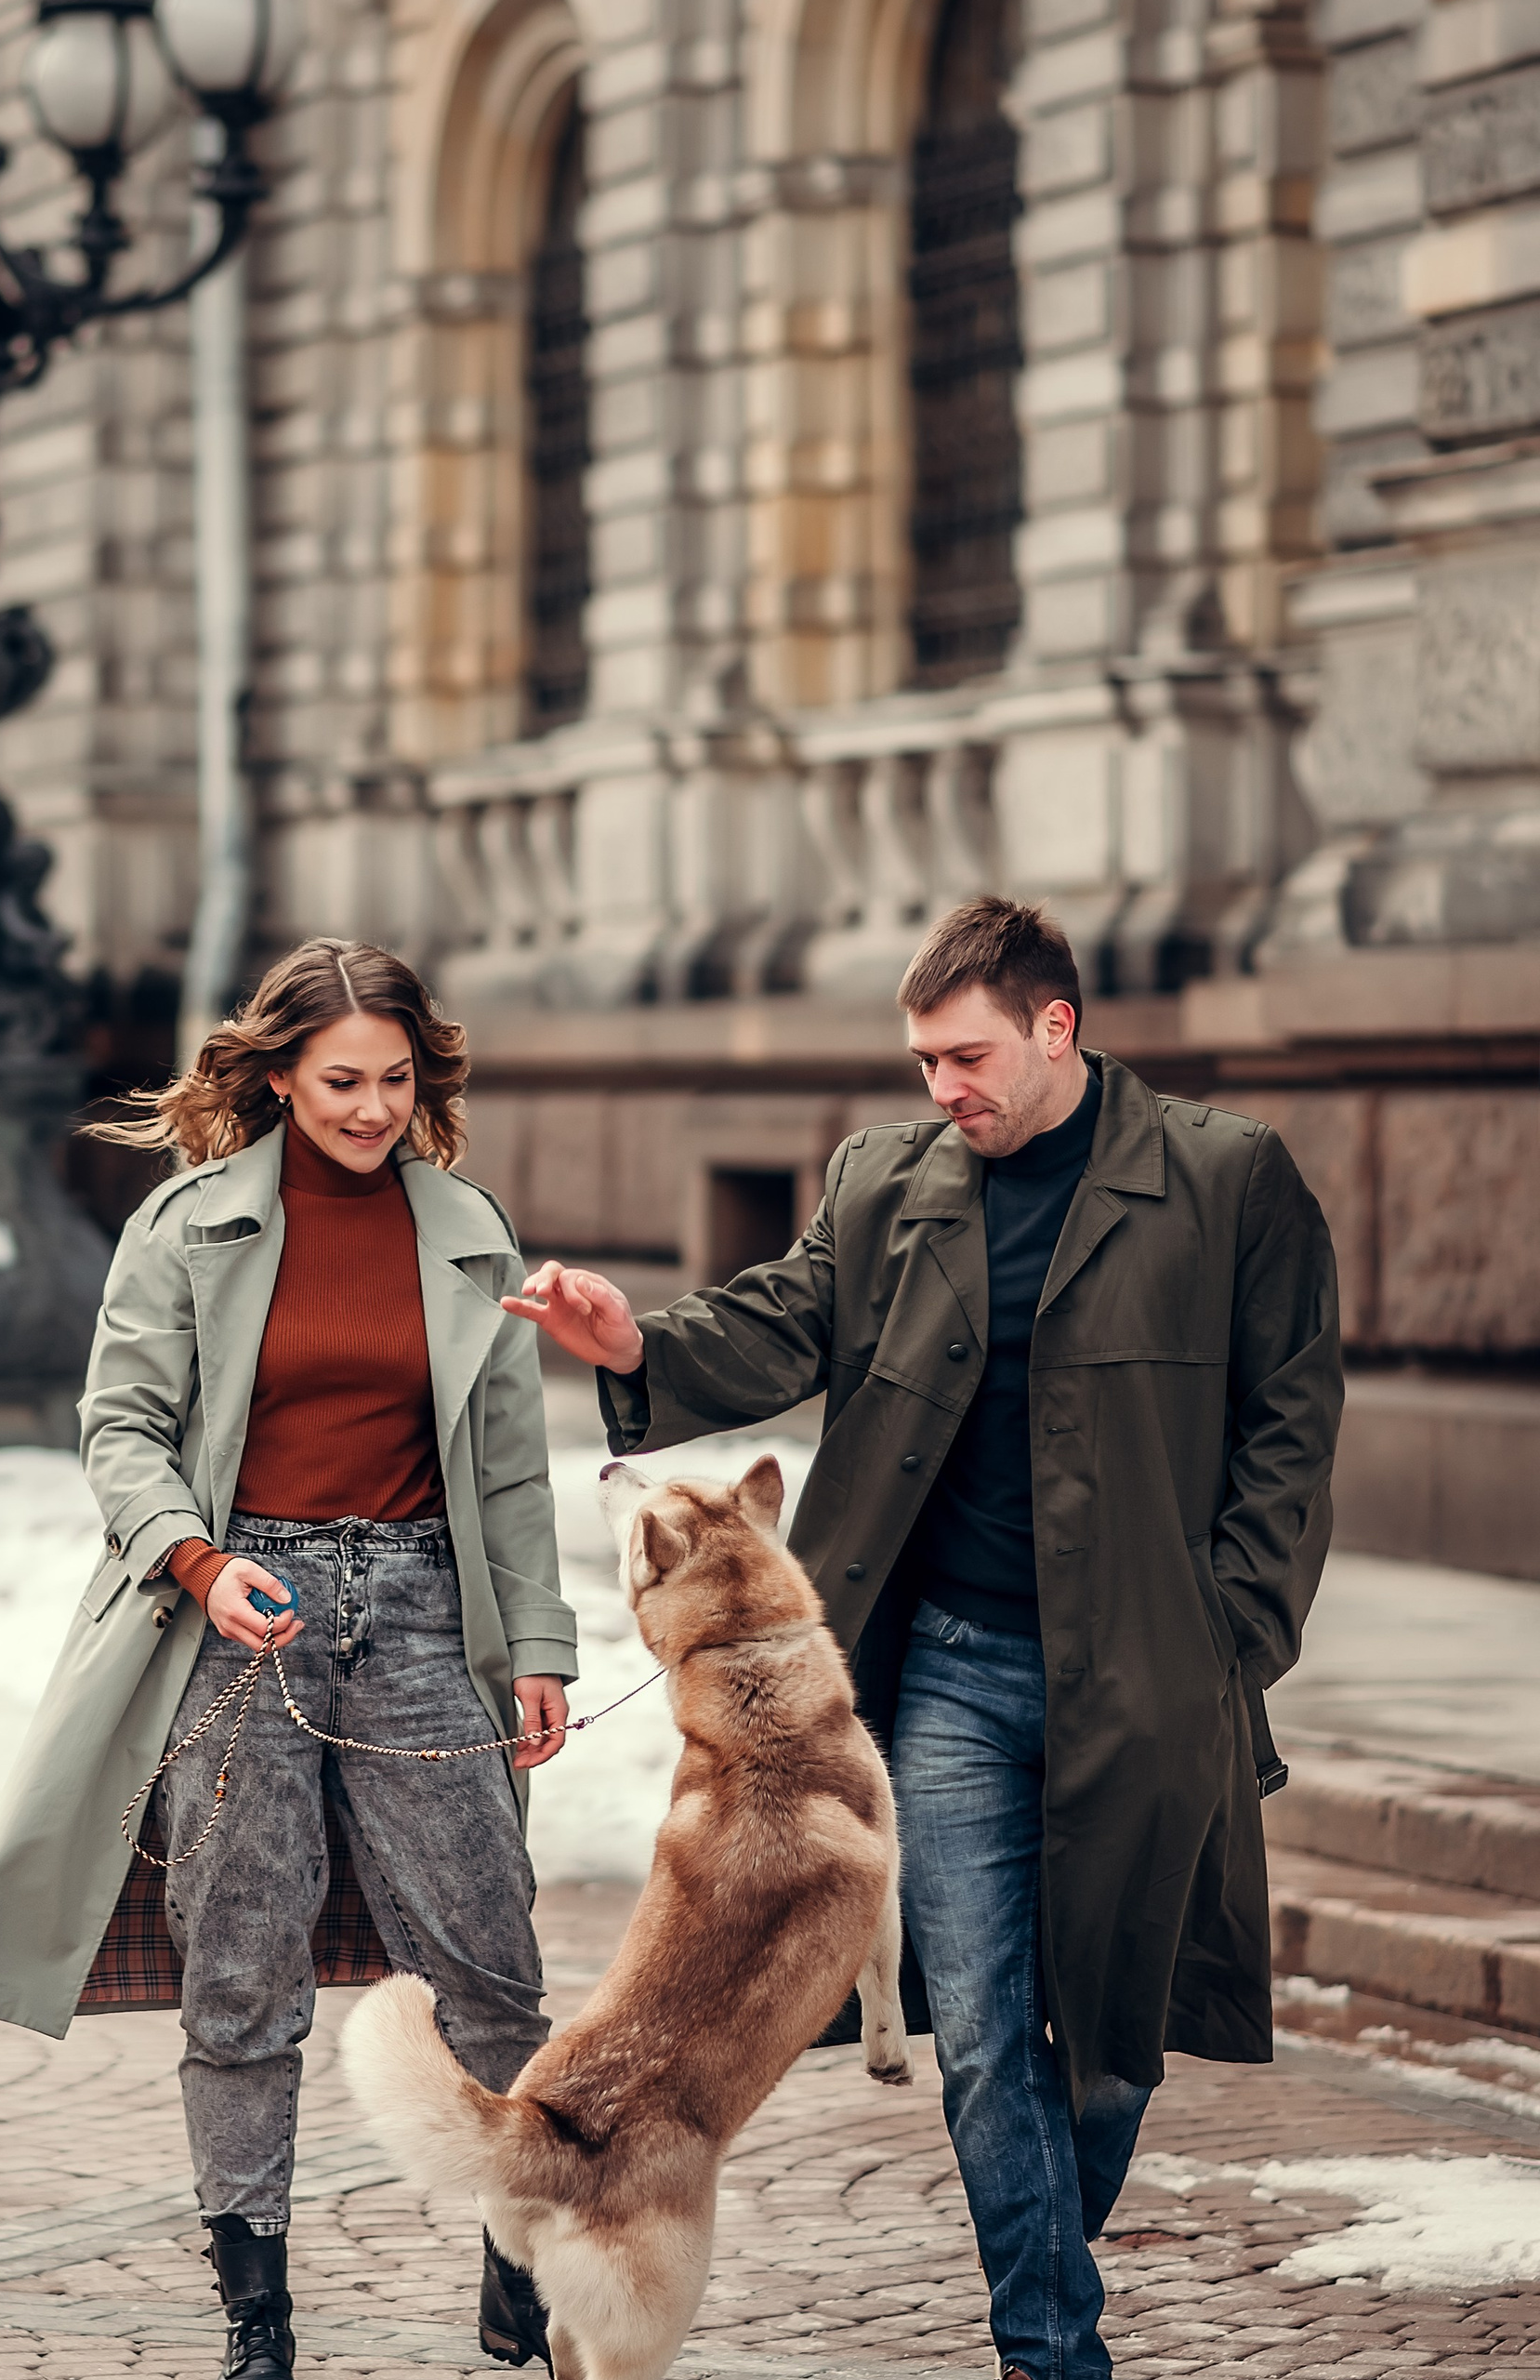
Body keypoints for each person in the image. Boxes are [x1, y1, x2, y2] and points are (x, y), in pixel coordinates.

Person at [503, 897, 1343, 2380]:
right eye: (924, 1062)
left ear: (1056, 1028)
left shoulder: (1227, 1178)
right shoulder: (886, 1178)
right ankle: (1048, 2349)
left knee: (1113, 2039)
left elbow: (1291, 1423)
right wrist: (638, 1346)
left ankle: (1045, 2266)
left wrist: (1232, 1632)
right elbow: (785, 1319)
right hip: (948, 1669)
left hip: (1145, 1676)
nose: (943, 1087)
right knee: (981, 2023)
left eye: (968, 1057)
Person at [0, 938, 578, 2380]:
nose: (373, 1109)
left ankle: (516, 2247)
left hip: (423, 1611)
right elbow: (120, 1428)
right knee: (239, 1974)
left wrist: (538, 1643)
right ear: (279, 1077)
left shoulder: (467, 1229)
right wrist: (201, 1565)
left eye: (395, 1080)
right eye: (342, 1082)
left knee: (493, 1963)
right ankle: (257, 2314)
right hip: (240, 1619)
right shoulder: (187, 1226)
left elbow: (512, 1467)